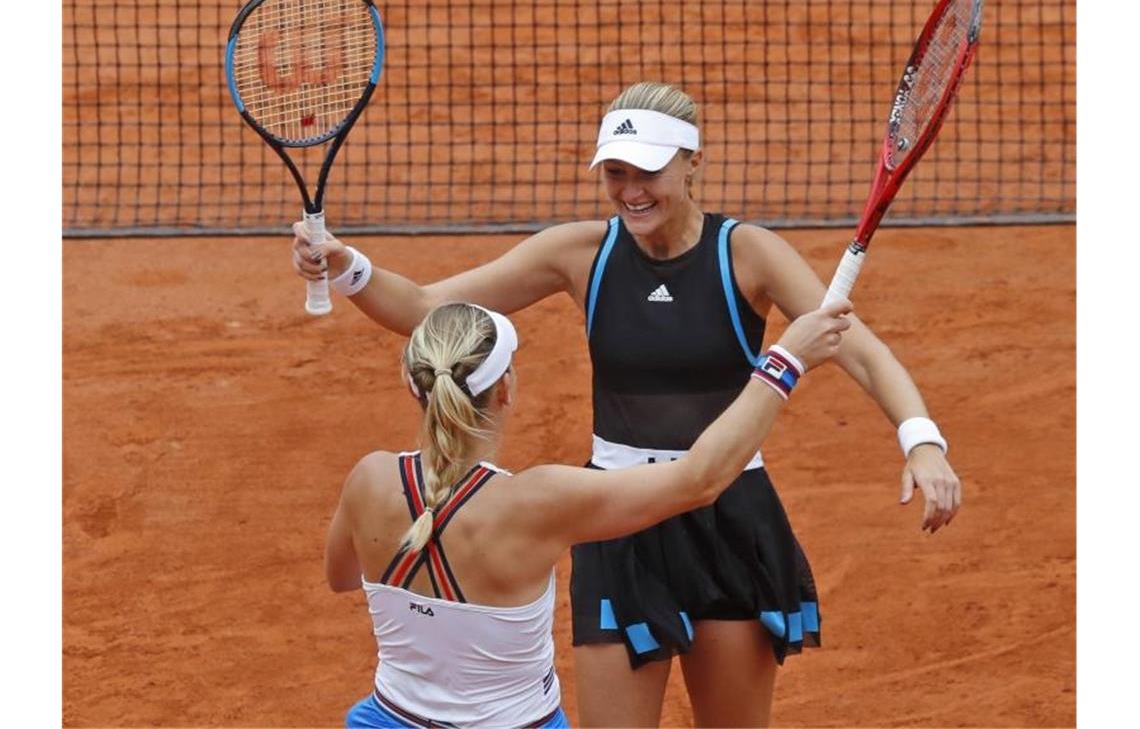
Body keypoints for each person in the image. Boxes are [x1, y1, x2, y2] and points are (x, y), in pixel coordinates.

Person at [298, 82, 961, 727]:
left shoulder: (749, 255)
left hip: (729, 518)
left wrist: (922, 440)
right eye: (615, 173)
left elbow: (863, 352)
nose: (630, 191)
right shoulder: (581, 254)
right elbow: (422, 307)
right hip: (616, 519)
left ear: (692, 161)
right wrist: (346, 264)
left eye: (647, 171)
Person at [327, 300, 850, 727]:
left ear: (412, 384)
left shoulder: (369, 479)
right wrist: (786, 361)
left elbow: (342, 577)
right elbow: (701, 480)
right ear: (505, 388)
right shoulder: (537, 502)